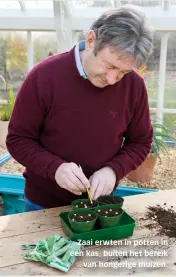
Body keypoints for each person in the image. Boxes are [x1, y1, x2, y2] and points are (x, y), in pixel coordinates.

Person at [6, 5, 154, 212]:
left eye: (123, 72)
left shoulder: (134, 85)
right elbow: (18, 139)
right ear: (92, 40)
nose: (112, 79)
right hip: (43, 204)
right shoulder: (43, 77)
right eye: (109, 66)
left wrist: (113, 170)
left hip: (99, 203)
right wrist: (55, 168)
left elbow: (141, 141)